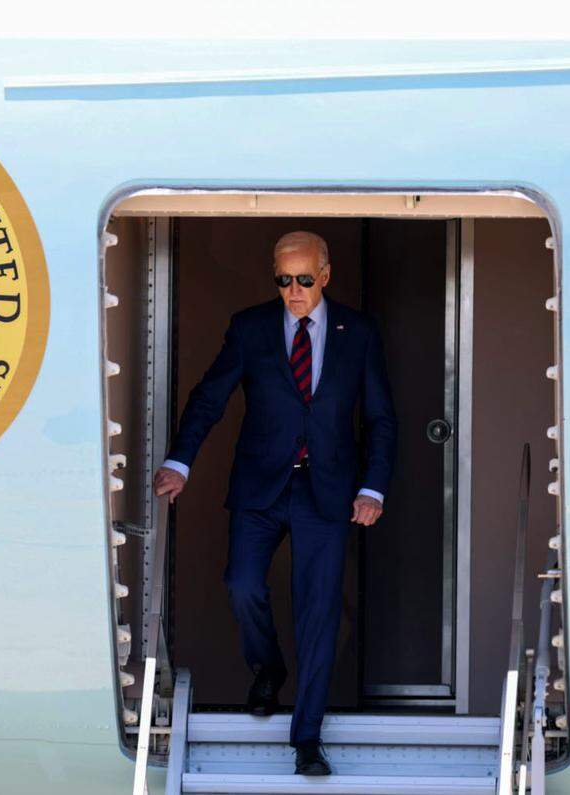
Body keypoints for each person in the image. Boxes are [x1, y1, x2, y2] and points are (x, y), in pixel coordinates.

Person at [152, 230, 397, 777]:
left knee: (318, 613)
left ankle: (306, 738)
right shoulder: (251, 327)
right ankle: (267, 669)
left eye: (304, 280)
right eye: (283, 280)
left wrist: (372, 487)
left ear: (326, 276)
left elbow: (380, 417)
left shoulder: (357, 332)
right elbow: (209, 396)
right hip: (261, 485)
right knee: (241, 584)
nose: (293, 291)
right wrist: (180, 461)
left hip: (328, 491)